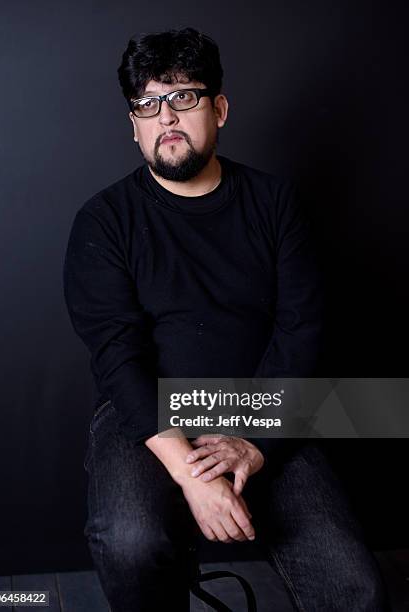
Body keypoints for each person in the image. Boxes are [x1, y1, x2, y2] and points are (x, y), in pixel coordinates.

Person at [63, 27, 391, 612]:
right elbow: (116, 354)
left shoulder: (275, 204)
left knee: (355, 589)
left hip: (260, 401)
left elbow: (302, 331)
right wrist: (192, 474)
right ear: (133, 121)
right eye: (148, 104)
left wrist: (254, 441)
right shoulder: (104, 220)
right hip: (147, 410)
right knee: (130, 542)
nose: (166, 117)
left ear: (219, 108)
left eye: (184, 97)